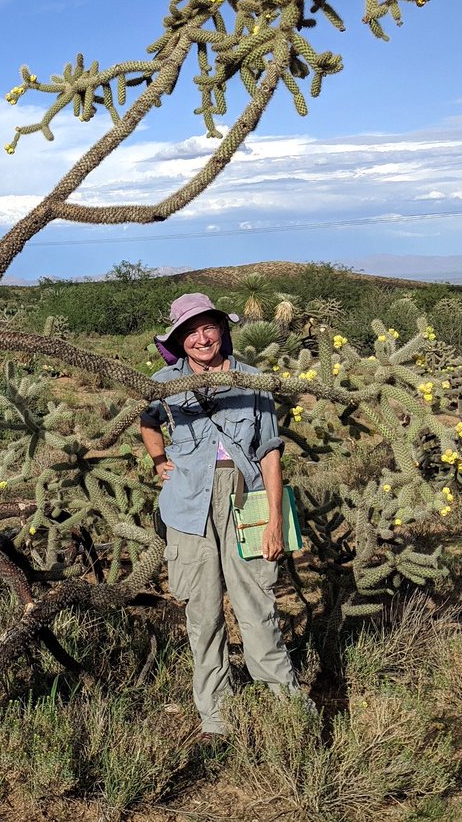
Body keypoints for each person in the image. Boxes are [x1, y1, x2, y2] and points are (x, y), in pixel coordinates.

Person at [140, 292, 303, 737]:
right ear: (179, 341)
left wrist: (274, 518)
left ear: (222, 330)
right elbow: (147, 421)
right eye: (190, 332)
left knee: (257, 607)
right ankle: (215, 716)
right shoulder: (163, 382)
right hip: (187, 503)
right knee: (204, 613)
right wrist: (158, 459)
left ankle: (288, 709)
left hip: (246, 498)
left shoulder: (252, 379)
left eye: (208, 327)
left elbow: (269, 450)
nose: (201, 338)